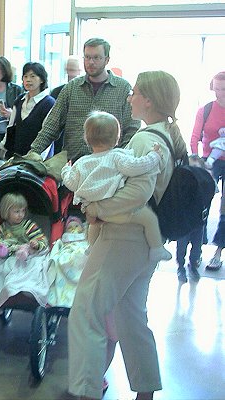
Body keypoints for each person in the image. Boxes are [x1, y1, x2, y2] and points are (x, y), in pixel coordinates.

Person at [67, 71, 187, 400]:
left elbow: (138, 193)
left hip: (123, 238)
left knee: (86, 313)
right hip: (140, 240)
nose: (129, 97)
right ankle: (145, 390)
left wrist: (97, 209)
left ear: (149, 100)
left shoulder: (146, 141)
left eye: (134, 92)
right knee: (131, 317)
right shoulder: (164, 136)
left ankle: (87, 391)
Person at [61, 111, 171, 263]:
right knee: (149, 218)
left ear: (87, 138)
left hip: (94, 212)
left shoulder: (82, 162)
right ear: (117, 138)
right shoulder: (117, 156)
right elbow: (137, 167)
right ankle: (157, 249)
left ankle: (91, 247)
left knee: (93, 226)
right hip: (117, 210)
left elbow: (71, 183)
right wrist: (154, 156)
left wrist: (66, 170)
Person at [29, 37, 140, 164]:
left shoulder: (123, 88)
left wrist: (120, 158)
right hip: (73, 164)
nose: (91, 62)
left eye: (96, 57)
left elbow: (132, 129)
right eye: (87, 57)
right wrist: (33, 153)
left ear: (107, 60)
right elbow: (51, 126)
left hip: (109, 166)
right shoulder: (72, 87)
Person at [0, 192, 49, 317]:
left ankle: (21, 290)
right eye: (16, 211)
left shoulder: (28, 225)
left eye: (23, 211)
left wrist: (36, 244)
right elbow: (0, 242)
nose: (21, 214)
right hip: (10, 254)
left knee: (33, 268)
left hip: (27, 254)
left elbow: (42, 240)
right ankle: (2, 293)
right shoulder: (3, 227)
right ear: (6, 212)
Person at [1, 62, 55, 158]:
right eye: (25, 76)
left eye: (32, 76)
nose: (28, 80)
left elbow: (48, 135)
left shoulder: (49, 103)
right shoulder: (19, 100)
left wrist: (38, 158)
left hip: (37, 157)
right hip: (16, 154)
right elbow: (10, 127)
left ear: (42, 79)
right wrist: (2, 149)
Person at [175, 155, 211, 282]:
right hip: (184, 222)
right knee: (181, 246)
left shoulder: (205, 183)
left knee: (197, 246)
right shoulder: (182, 183)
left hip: (198, 222)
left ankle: (193, 264)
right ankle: (181, 266)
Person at [190, 71, 225, 184]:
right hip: (209, 160)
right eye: (216, 89)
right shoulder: (205, 110)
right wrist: (196, 160)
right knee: (206, 192)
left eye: (223, 89)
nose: (219, 93)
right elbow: (194, 137)